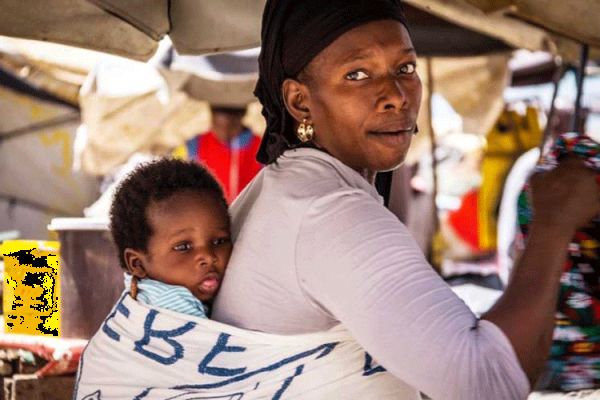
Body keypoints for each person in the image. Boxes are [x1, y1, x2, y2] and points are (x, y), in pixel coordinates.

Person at [212, 1, 600, 399]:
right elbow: (487, 383)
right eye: (358, 74)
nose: (396, 96)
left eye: (406, 69)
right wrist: (554, 221)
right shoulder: (329, 210)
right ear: (299, 102)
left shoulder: (289, 188)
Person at [109, 158, 232, 318]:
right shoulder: (173, 307)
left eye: (219, 241)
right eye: (183, 247)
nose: (209, 257)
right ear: (138, 264)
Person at [184, 106, 262, 203]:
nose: (223, 131)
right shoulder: (195, 145)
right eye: (217, 124)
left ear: (242, 114)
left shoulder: (261, 148)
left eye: (230, 125)